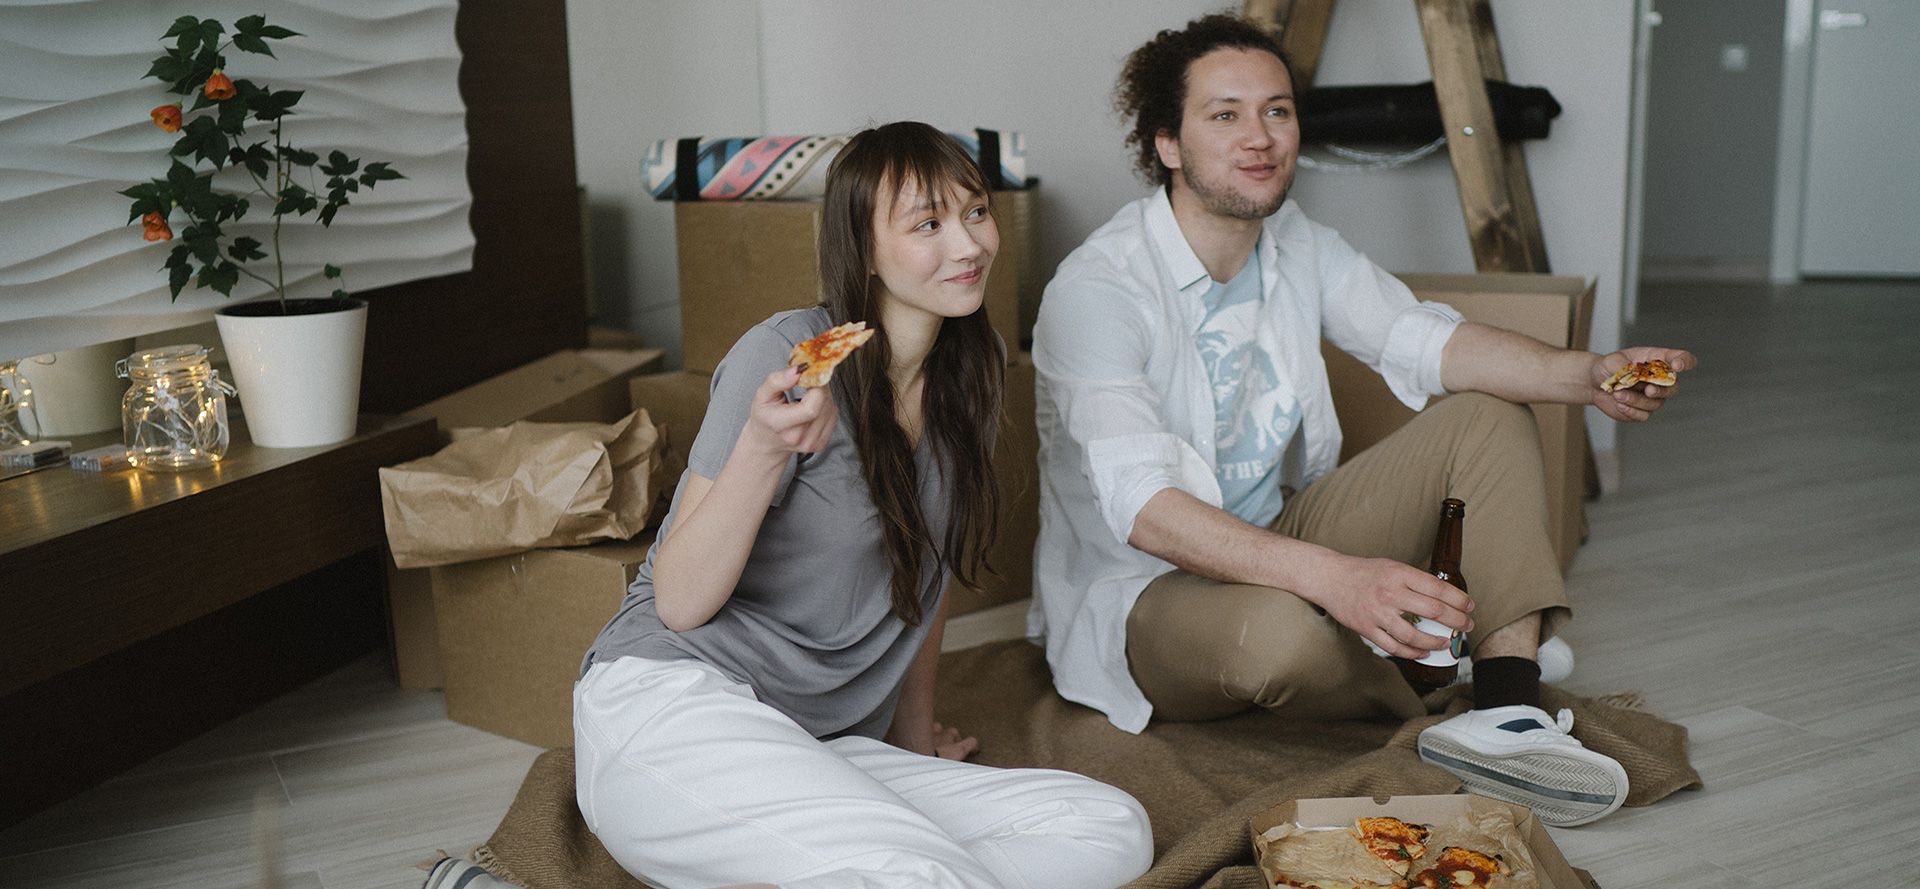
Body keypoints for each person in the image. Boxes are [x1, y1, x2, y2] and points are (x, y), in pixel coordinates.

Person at [1029, 15, 1694, 828]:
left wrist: (1584, 375)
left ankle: (1503, 709)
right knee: (1277, 641)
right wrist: (1336, 579)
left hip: (1277, 530)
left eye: (1277, 110)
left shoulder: (1295, 242)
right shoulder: (1097, 288)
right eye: (1225, 114)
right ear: (1167, 143)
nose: (1261, 137)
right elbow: (1145, 510)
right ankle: (1427, 672)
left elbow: (1420, 336)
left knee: (1489, 413)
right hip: (1149, 591)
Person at [575, 121, 1153, 889]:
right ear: (863, 246)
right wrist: (762, 444)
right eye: (928, 224)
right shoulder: (785, 356)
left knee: (1110, 830)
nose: (970, 244)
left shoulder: (966, 382)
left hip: (817, 741)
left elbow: (924, 587)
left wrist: (911, 749)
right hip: (673, 704)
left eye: (976, 212)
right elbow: (679, 602)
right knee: (920, 874)